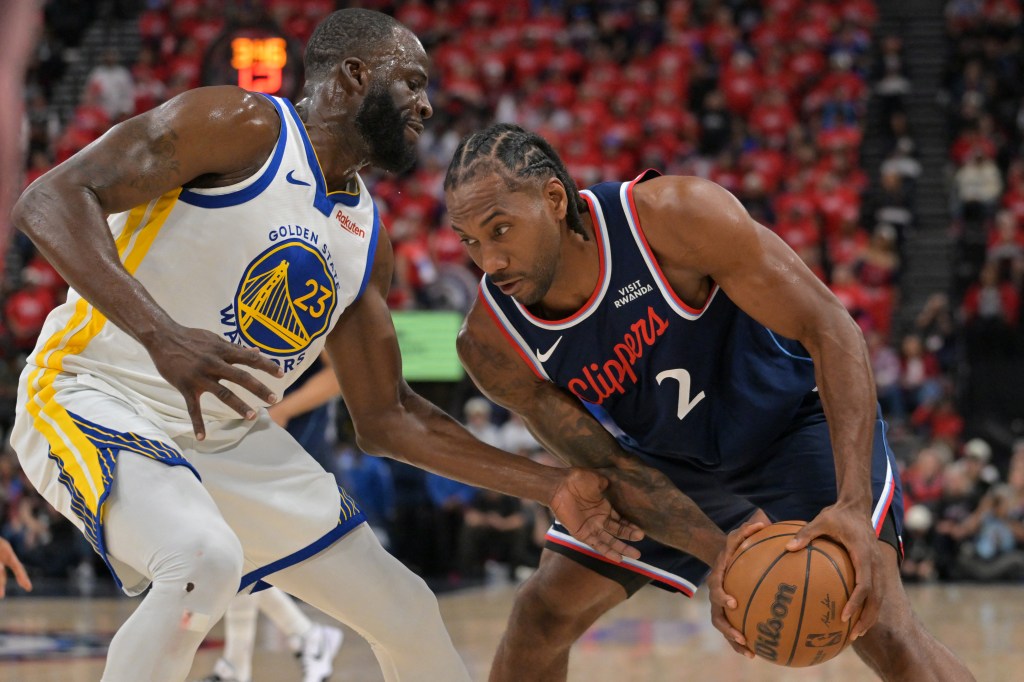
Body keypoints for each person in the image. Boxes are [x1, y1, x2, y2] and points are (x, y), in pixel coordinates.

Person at [8, 12, 641, 682]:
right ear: (355, 76)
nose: (427, 104)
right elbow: (49, 199)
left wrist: (553, 485)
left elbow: (390, 419)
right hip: (96, 394)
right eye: (413, 83)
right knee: (201, 562)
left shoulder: (367, 237)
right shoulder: (240, 124)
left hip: (228, 440)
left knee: (407, 611)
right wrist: (161, 336)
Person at [444, 123, 976, 681]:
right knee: (541, 613)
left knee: (882, 626)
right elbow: (608, 466)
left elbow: (831, 330)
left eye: (500, 230)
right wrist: (718, 550)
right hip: (669, 464)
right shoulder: (491, 342)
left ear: (554, 199)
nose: (490, 262)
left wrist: (850, 504)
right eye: (470, 241)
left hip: (793, 425)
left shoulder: (673, 217)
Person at [197, 354, 344, 682]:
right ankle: (297, 639)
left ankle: (283, 645)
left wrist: (282, 410)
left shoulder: (319, 305)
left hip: (293, 441)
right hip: (249, 433)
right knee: (240, 551)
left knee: (240, 550)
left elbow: (339, 375)